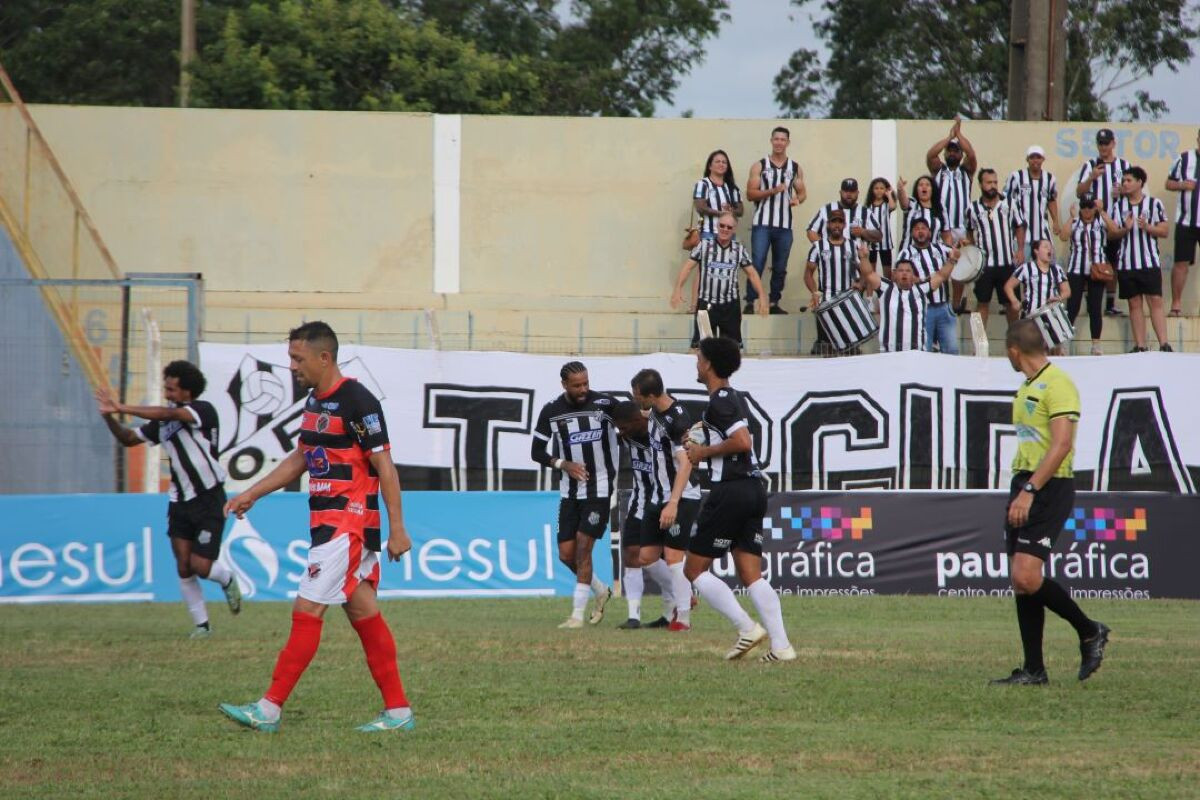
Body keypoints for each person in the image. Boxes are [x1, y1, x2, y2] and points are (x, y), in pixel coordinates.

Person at [219, 321, 414, 733]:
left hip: (349, 523)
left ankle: (269, 708)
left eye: (297, 358)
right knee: (363, 611)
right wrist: (252, 493)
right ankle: (398, 712)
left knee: (306, 609)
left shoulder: (358, 401)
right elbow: (302, 457)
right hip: (326, 523)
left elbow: (386, 467)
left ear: (324, 358)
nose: (292, 366)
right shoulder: (314, 401)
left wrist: (398, 529)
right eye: (291, 357)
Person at [991, 319, 1110, 686]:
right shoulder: (1027, 384)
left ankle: (1090, 631)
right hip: (1024, 481)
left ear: (1014, 351)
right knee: (1022, 581)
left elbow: (1061, 446)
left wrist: (1031, 491)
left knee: (1026, 576)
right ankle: (1034, 670)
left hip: (1048, 486)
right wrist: (1021, 487)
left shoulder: (1059, 385)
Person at [95, 360, 241, 638]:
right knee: (183, 565)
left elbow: (166, 413)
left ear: (187, 392)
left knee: (201, 566)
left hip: (209, 497)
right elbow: (127, 438)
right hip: (179, 501)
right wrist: (108, 416)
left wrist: (121, 407)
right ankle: (202, 626)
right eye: (166, 388)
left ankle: (226, 578)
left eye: (172, 389)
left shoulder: (201, 411)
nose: (167, 393)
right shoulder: (163, 423)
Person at [683, 336, 793, 663]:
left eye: (699, 357)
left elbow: (742, 442)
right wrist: (703, 438)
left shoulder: (721, 401)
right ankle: (782, 647)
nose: (696, 362)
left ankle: (746, 627)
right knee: (750, 574)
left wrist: (704, 451)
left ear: (709, 364)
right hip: (752, 489)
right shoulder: (731, 398)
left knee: (693, 569)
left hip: (730, 491)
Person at [530, 361, 618, 628]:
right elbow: (536, 451)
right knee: (567, 555)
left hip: (599, 488)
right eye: (577, 385)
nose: (583, 389)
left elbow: (634, 422)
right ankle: (601, 589)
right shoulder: (551, 411)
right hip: (569, 492)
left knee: (583, 547)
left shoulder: (605, 405)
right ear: (564, 385)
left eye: (586, 383)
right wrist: (562, 464)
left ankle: (576, 616)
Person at [631, 368, 702, 632]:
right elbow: (641, 415)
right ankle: (685, 593)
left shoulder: (677, 420)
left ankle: (682, 618)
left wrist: (673, 502)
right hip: (657, 494)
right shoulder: (655, 411)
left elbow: (685, 464)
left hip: (681, 495)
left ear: (651, 395)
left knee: (673, 556)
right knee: (647, 557)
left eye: (637, 395)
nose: (635, 399)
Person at [610, 400, 674, 630]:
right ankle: (633, 616)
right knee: (630, 554)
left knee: (666, 558)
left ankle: (672, 610)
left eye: (624, 427)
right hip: (639, 502)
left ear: (638, 420)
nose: (621, 433)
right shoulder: (628, 434)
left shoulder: (662, 432)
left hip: (666, 502)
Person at [671, 210, 768, 348]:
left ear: (734, 229)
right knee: (702, 348)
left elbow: (752, 273)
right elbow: (687, 267)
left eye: (729, 227)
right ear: (717, 225)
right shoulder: (704, 245)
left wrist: (762, 296)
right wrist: (677, 289)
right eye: (722, 225)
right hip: (706, 305)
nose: (725, 229)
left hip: (730, 307)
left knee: (730, 351)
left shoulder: (739, 249)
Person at [1104, 166, 1172, 352]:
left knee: (1155, 301)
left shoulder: (1154, 203)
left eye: (1128, 180)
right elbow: (1111, 235)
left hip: (1149, 261)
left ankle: (1164, 343)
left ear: (1139, 182)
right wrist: (1124, 229)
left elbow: (1165, 230)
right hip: (1127, 262)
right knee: (1134, 303)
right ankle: (1140, 345)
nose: (1124, 184)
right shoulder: (1118, 207)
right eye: (1123, 181)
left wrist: (1147, 227)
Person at [745, 126, 807, 315]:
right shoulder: (760, 165)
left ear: (788, 142)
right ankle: (751, 301)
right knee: (757, 262)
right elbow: (750, 194)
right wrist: (772, 191)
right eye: (776, 139)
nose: (779, 142)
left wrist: (798, 199)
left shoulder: (794, 167)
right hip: (762, 223)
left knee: (780, 266)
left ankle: (773, 302)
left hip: (784, 225)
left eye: (783, 139)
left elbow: (802, 192)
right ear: (771, 141)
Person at [1074, 128, 1131, 317]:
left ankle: (1110, 302)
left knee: (1112, 262)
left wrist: (1122, 191)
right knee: (1090, 258)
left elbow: (1133, 188)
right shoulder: (1089, 165)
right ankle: (1089, 300)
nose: (1103, 147)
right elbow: (1079, 192)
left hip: (1115, 221)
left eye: (1106, 143)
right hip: (1093, 223)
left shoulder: (1124, 165)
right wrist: (1091, 177)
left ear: (1113, 144)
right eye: (1100, 143)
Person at [858, 251, 957, 352]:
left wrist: (952, 260)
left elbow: (941, 276)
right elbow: (868, 273)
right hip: (889, 353)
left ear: (913, 275)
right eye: (900, 270)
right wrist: (864, 257)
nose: (904, 273)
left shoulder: (921, 289)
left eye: (908, 271)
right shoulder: (886, 288)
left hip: (916, 354)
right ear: (895, 274)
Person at [965, 168, 1025, 325]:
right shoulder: (973, 208)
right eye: (989, 182)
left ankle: (1014, 341)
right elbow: (969, 231)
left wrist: (1019, 249)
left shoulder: (1010, 204)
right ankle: (980, 345)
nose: (993, 186)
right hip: (985, 265)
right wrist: (973, 253)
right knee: (982, 303)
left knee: (1011, 304)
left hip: (1006, 263)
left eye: (995, 182)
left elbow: (1019, 226)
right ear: (980, 184)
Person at [803, 209, 864, 355]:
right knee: (827, 346)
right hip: (826, 300)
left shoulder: (853, 246)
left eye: (840, 222)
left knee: (851, 347)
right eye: (833, 221)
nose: (837, 225)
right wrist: (815, 293)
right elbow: (808, 274)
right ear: (828, 224)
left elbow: (864, 271)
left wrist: (860, 284)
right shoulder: (818, 247)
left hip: (848, 300)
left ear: (844, 225)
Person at [896, 217, 958, 354]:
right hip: (923, 309)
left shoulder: (941, 248)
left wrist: (962, 247)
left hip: (944, 306)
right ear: (911, 233)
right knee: (925, 350)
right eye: (917, 229)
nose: (920, 232)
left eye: (923, 228)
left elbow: (957, 255)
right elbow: (900, 278)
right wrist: (923, 280)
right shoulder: (905, 253)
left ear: (929, 232)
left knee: (952, 350)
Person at [1059, 194, 1108, 355]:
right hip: (1076, 268)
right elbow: (1063, 237)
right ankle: (1065, 342)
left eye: (1090, 206)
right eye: (1084, 206)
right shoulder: (1075, 222)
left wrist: (1103, 213)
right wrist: (1071, 218)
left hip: (1097, 268)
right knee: (1072, 305)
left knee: (1095, 306)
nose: (1087, 210)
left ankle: (1096, 344)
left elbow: (1115, 230)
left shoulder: (1100, 221)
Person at [1005, 240, 1071, 354]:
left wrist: (1059, 297)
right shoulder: (1027, 268)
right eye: (1045, 247)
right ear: (1036, 251)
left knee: (1056, 351)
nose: (1049, 249)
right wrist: (1014, 301)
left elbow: (1067, 291)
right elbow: (1008, 286)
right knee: (1033, 351)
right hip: (1031, 315)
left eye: (1050, 247)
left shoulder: (1057, 270)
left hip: (1051, 316)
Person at [1165, 128, 1200, 316]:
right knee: (1181, 263)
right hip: (1186, 221)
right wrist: (1182, 185)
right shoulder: (1184, 158)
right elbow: (1168, 183)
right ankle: (1176, 304)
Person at [926, 118, 978, 243]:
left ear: (961, 155)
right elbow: (931, 155)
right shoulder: (938, 170)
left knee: (963, 261)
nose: (952, 153)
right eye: (949, 151)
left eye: (956, 151)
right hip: (941, 228)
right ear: (944, 154)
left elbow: (971, 155)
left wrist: (958, 134)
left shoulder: (966, 171)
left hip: (963, 228)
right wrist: (949, 137)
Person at [1005, 145, 1062, 260]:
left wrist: (1055, 221)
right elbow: (1006, 200)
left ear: (1043, 159)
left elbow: (1051, 200)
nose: (1035, 160)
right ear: (1027, 159)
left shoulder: (1050, 179)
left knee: (1048, 268)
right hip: (1021, 235)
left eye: (1038, 157)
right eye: (1032, 157)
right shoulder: (1016, 177)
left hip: (1042, 233)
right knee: (1021, 269)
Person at [805, 178, 882, 246]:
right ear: (840, 192)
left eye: (852, 191)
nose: (849, 194)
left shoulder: (866, 212)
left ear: (857, 193)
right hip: (831, 260)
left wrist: (863, 232)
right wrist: (823, 248)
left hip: (857, 259)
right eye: (846, 191)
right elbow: (811, 231)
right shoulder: (826, 209)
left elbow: (879, 235)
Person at [693, 149, 743, 241]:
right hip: (708, 232)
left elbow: (740, 211)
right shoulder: (703, 184)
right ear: (710, 166)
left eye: (724, 162)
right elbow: (700, 207)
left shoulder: (733, 188)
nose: (721, 164)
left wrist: (731, 211)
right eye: (717, 162)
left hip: (729, 234)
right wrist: (721, 213)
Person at [896, 175, 950, 251]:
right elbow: (903, 203)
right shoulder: (912, 204)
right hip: (909, 255)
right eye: (921, 185)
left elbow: (946, 235)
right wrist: (900, 189)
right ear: (917, 190)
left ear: (932, 189)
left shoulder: (941, 209)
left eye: (927, 185)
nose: (924, 187)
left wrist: (949, 251)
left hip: (932, 256)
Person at [864, 177, 898, 276]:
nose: (879, 191)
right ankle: (870, 292)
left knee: (887, 272)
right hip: (871, 242)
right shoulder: (868, 206)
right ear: (872, 190)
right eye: (876, 188)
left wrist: (890, 194)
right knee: (871, 271)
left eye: (882, 188)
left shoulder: (886, 205)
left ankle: (887, 290)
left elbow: (893, 206)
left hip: (885, 242)